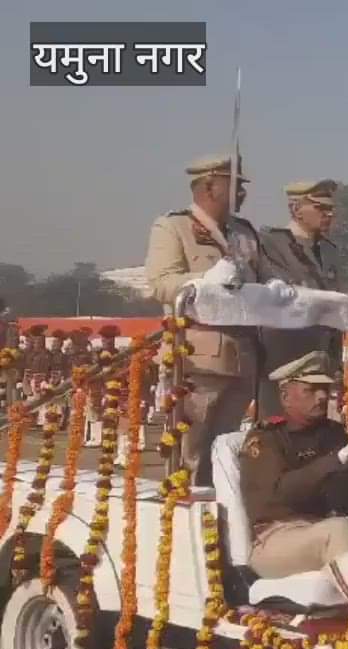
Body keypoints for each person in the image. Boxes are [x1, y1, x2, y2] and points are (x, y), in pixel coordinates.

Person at [145, 153, 265, 486]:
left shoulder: (244, 232)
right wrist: (206, 280)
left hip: (241, 355)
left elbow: (260, 281)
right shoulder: (173, 226)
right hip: (197, 359)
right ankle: (185, 511)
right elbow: (161, 284)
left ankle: (219, 510)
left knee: (226, 450)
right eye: (234, 185)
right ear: (209, 187)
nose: (242, 192)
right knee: (190, 450)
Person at [239, 351, 348, 611]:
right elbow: (280, 493)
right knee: (337, 531)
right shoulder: (266, 439)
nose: (321, 397)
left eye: (324, 389)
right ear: (285, 397)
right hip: (276, 537)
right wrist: (335, 461)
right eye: (311, 390)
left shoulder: (334, 433)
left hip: (320, 526)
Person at [258, 179, 348, 417]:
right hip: (284, 355)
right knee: (277, 424)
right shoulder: (271, 244)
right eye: (320, 208)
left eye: (331, 208)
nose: (329, 214)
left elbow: (337, 291)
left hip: (322, 353)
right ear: (296, 209)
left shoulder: (329, 250)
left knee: (316, 425)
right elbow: (280, 290)